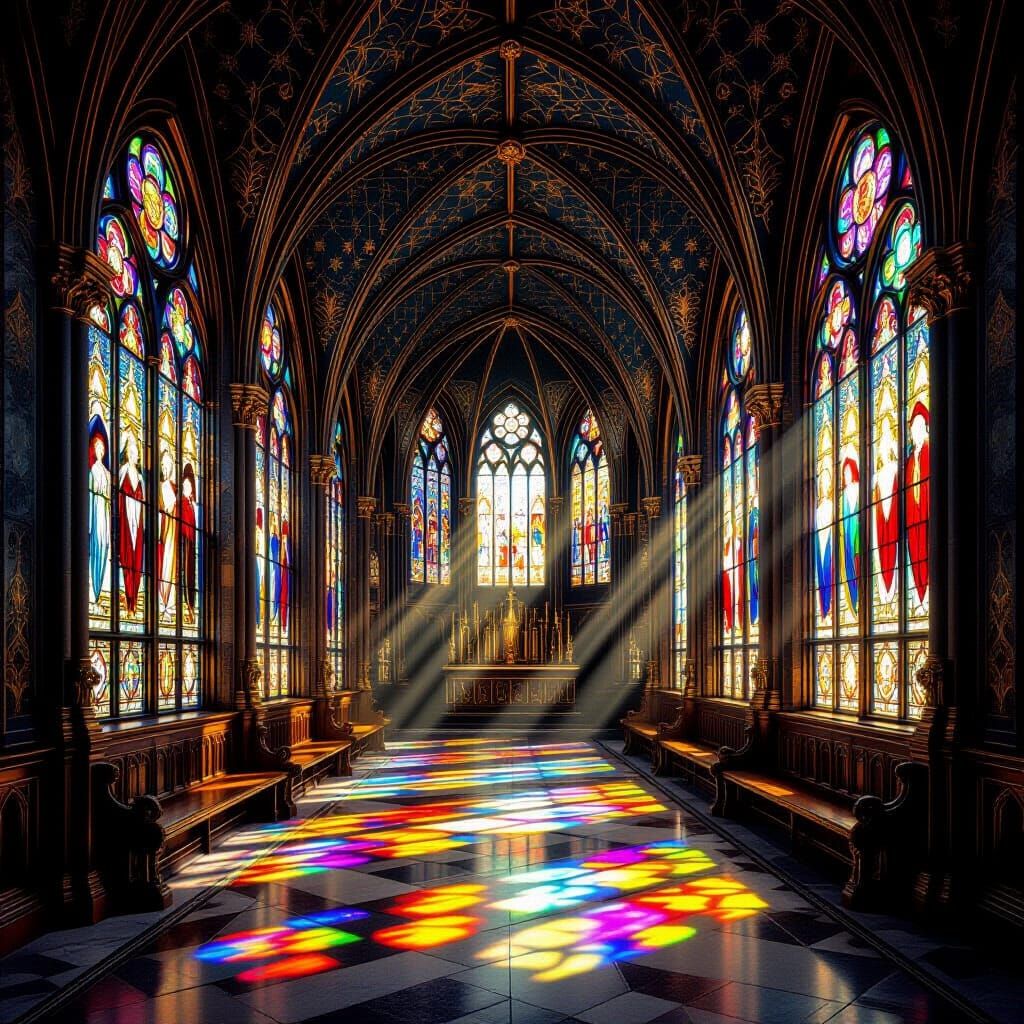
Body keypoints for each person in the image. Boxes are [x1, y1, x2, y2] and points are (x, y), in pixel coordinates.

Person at [905, 403, 930, 606]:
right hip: (913, 520)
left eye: (919, 428)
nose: (916, 433)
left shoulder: (931, 451)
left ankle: (929, 592)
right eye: (913, 429)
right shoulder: (910, 461)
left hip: (928, 517)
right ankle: (920, 593)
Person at [118, 433, 145, 615]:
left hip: (138, 522)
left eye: (136, 451)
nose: (134, 454)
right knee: (126, 554)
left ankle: (134, 600)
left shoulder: (142, 479)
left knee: (137, 558)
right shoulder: (122, 472)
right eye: (131, 451)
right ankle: (125, 599)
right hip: (125, 519)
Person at [88, 415, 111, 606]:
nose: (101, 451)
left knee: (104, 546)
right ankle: (93, 592)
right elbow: (89, 493)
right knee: (95, 545)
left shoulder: (107, 473)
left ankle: (99, 590)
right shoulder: (92, 470)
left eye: (103, 448)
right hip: (95, 510)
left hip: (105, 512)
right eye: (98, 447)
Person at [180, 463, 198, 619]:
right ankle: (186, 605)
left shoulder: (193, 505)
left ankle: (191, 605)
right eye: (184, 484)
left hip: (192, 545)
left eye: (189, 485)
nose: (187, 487)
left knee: (192, 576)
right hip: (184, 543)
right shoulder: (182, 503)